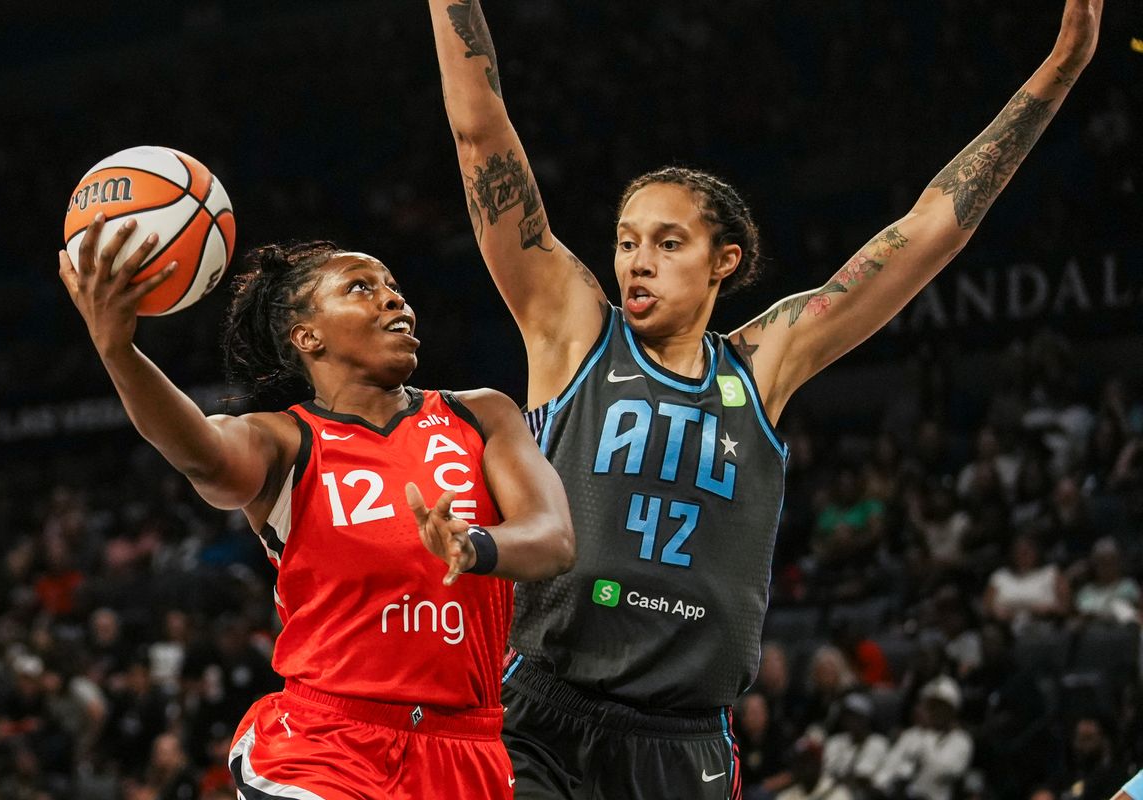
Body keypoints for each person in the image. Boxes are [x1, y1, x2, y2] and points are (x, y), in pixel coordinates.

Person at [427, 1, 1103, 798]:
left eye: (668, 243)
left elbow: (931, 230)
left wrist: (1062, 68)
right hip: (544, 716)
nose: (637, 262)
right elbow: (482, 133)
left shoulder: (763, 361)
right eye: (626, 240)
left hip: (684, 743)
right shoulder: (573, 331)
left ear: (725, 260)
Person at [57, 221, 576, 798]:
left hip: (466, 751)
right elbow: (201, 454)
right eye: (360, 287)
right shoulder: (284, 442)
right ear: (308, 337)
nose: (392, 297)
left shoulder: (482, 415)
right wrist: (118, 351)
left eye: (393, 286)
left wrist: (474, 545)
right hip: (326, 743)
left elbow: (554, 540)